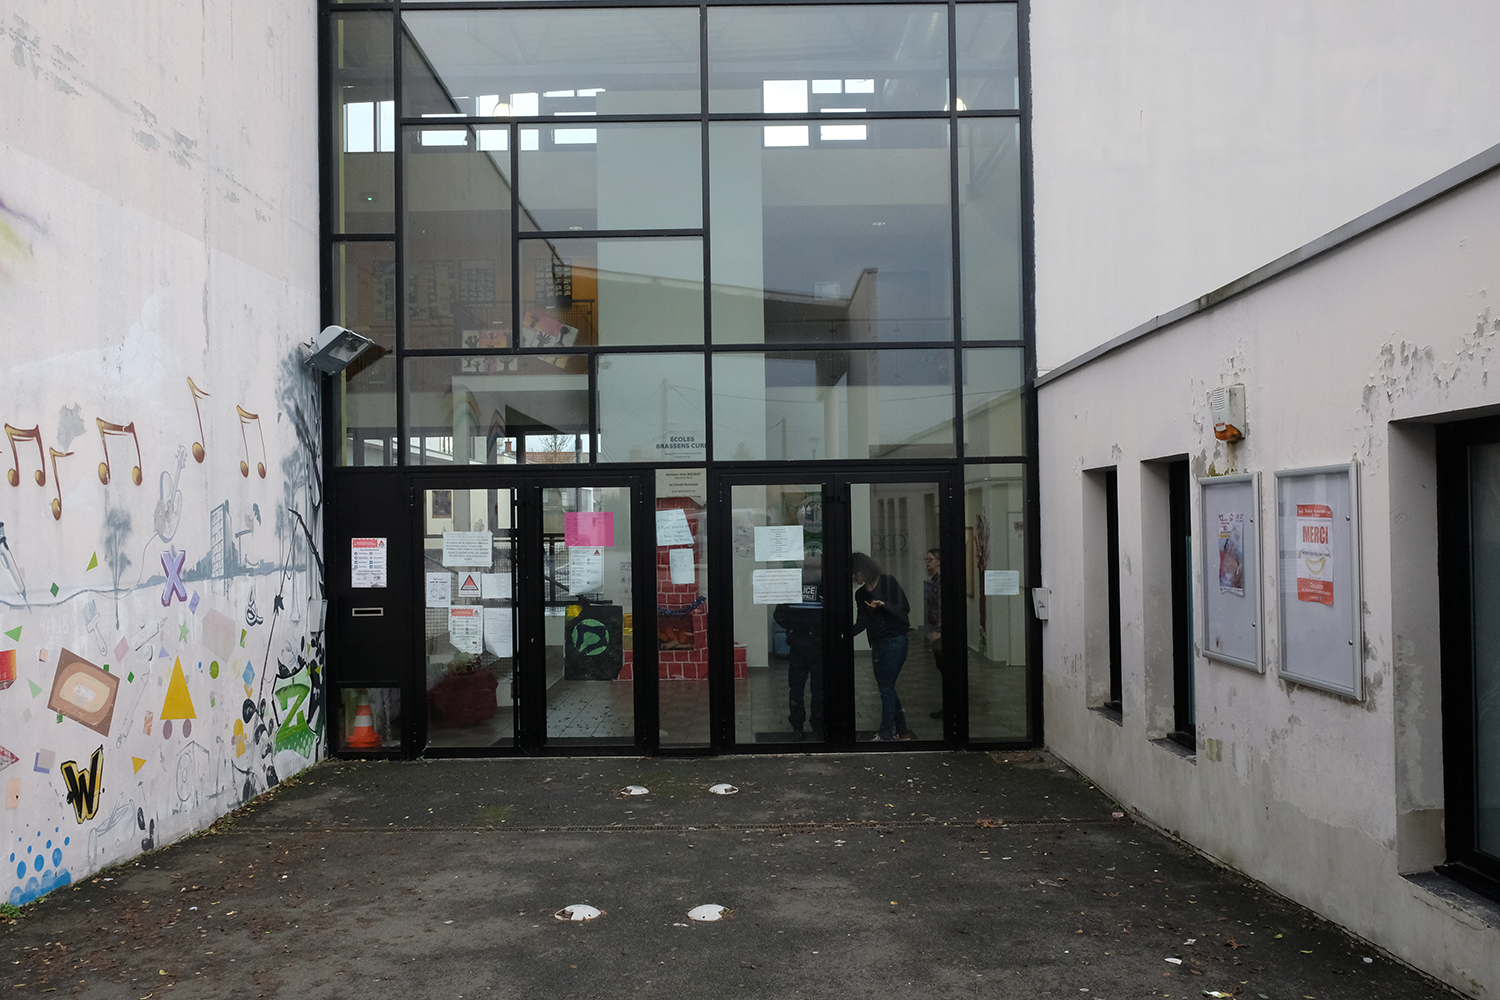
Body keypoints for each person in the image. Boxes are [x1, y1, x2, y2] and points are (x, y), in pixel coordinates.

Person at [851, 551, 913, 741]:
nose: (854, 577)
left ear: (864, 569)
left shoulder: (888, 582)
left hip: (896, 639)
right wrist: (843, 634)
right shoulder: (860, 594)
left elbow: (904, 608)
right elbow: (861, 621)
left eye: (855, 573)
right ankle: (902, 731)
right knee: (887, 687)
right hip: (877, 641)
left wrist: (883, 605)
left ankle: (886, 733)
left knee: (886, 686)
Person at [774, 557, 824, 740]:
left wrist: (792, 629)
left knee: (796, 687)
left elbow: (779, 614)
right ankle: (818, 726)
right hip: (819, 643)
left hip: (797, 643)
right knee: (819, 688)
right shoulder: (823, 586)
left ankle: (797, 727)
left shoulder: (792, 586)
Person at [923, 548, 944, 719]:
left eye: (930, 559)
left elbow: (940, 607)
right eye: (926, 559)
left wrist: (938, 630)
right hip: (936, 630)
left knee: (945, 666)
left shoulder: (940, 583)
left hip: (941, 632)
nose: (927, 562)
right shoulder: (935, 581)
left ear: (939, 561)